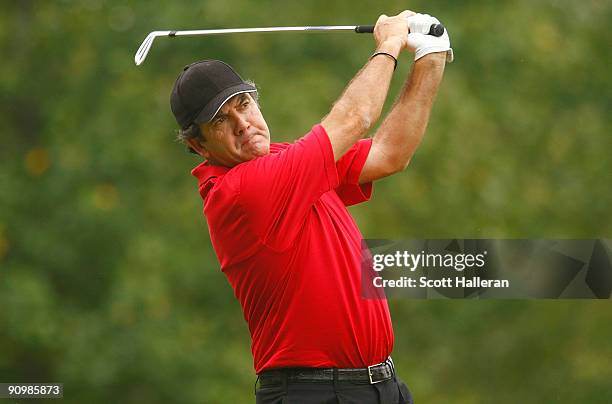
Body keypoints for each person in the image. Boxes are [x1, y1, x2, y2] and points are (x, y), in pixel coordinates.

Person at [170, 10, 452, 404]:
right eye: (221, 120)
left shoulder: (285, 161)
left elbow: (391, 154)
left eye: (244, 104)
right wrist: (389, 46)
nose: (243, 123)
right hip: (313, 393)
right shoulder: (239, 192)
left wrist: (430, 56)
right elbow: (355, 118)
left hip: (381, 387)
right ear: (199, 146)